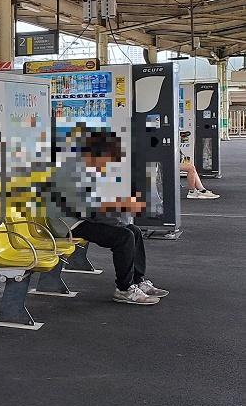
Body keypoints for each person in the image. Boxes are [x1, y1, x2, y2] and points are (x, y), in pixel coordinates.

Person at [46, 129, 168, 305]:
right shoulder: (70, 173)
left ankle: (137, 280)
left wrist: (120, 208)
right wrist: (120, 208)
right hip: (67, 223)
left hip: (82, 217)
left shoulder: (86, 167)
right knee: (123, 237)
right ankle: (124, 289)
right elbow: (89, 210)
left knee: (133, 231)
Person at [179, 130, 218, 199]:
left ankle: (202, 190)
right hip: (167, 161)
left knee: (190, 164)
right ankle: (192, 192)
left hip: (173, 160)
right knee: (191, 168)